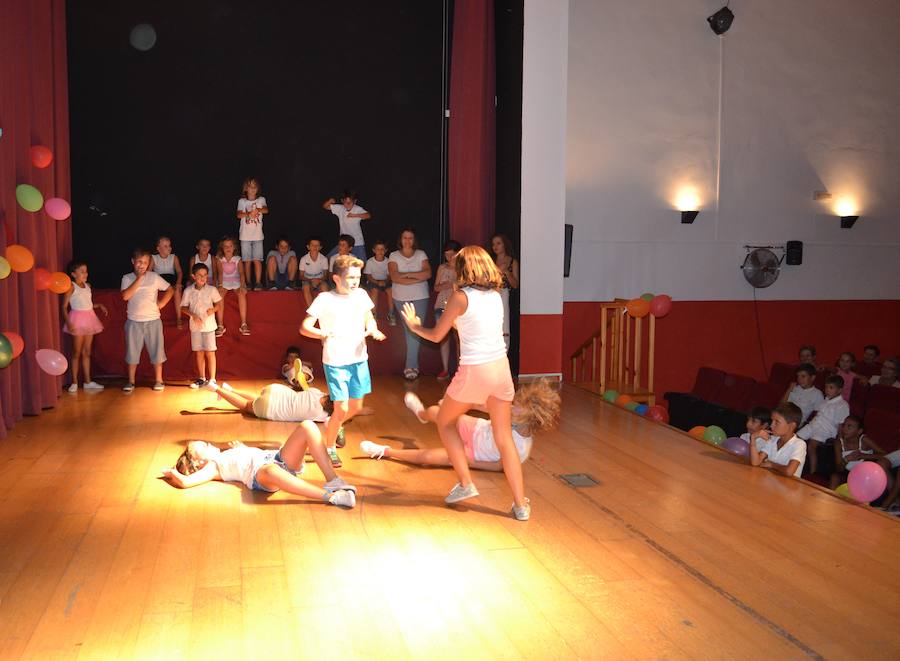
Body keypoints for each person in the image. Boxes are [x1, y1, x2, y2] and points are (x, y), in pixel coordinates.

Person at [400, 246, 529, 520]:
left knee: (445, 422)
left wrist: (414, 326)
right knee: (504, 437)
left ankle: (465, 483)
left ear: (463, 268)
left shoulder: (460, 297)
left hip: (475, 372)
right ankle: (520, 505)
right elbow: (473, 327)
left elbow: (436, 336)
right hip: (501, 371)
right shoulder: (495, 295)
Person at [360, 380, 560, 472]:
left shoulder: (521, 448)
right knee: (437, 412)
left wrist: (469, 461)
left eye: (517, 410)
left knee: (428, 457)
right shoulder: (510, 411)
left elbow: (499, 466)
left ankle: (385, 452)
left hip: (474, 453)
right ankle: (421, 414)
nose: (512, 409)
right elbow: (480, 405)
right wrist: (455, 405)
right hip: (475, 428)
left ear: (532, 420)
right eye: (515, 405)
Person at [301, 254, 385, 468]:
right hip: (336, 361)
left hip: (359, 359)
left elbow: (368, 317)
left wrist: (372, 328)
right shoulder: (324, 299)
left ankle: (332, 423)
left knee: (355, 407)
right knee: (342, 408)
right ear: (337, 278)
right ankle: (329, 448)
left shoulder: (361, 295)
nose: (355, 281)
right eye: (351, 277)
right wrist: (321, 332)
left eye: (358, 277)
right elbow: (305, 327)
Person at [161, 423, 357, 508]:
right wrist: (171, 473)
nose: (209, 444)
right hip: (261, 474)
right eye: (203, 446)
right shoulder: (213, 467)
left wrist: (243, 448)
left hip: (276, 459)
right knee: (271, 470)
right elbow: (186, 482)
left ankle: (333, 480)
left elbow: (251, 455)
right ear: (198, 462)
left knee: (307, 426)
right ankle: (332, 497)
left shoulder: (225, 453)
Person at [120, 248, 173, 392]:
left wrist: (161, 304)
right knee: (132, 352)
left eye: (145, 262)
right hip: (133, 322)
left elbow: (170, 289)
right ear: (133, 262)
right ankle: (131, 381)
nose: (142, 265)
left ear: (149, 263)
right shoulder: (127, 278)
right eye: (139, 262)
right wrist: (139, 279)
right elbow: (125, 296)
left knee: (157, 352)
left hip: (153, 321)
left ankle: (159, 380)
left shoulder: (154, 277)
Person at [389, 228, 431, 380]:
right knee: (409, 329)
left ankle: (411, 365)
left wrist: (406, 275)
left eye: (410, 238)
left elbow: (427, 273)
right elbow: (395, 277)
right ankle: (411, 365)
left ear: (414, 240)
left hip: (420, 296)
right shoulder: (394, 255)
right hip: (400, 297)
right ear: (400, 240)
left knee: (416, 329)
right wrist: (416, 277)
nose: (407, 241)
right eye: (405, 237)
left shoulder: (421, 254)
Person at [62, 259, 108, 393]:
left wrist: (98, 305)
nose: (85, 274)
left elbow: (87, 303)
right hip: (77, 319)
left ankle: (87, 381)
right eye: (82, 271)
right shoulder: (71, 287)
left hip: (90, 318)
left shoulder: (87, 286)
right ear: (73, 274)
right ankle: (74, 382)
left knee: (87, 352)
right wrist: (68, 322)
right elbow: (64, 306)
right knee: (76, 352)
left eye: (86, 271)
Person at [205, 379, 331, 423]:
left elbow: (307, 389)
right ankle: (216, 389)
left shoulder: (317, 392)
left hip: (276, 390)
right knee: (246, 405)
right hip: (270, 407)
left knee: (257, 398)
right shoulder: (322, 415)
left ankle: (230, 390)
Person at [797, 375, 850, 475]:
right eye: (826, 387)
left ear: (839, 390)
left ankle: (812, 473)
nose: (827, 390)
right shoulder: (826, 400)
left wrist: (840, 439)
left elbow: (841, 423)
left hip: (826, 430)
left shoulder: (842, 405)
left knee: (812, 446)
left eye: (831, 388)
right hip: (814, 425)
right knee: (796, 439)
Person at [181, 263, 223, 388]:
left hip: (209, 326)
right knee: (199, 352)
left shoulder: (212, 289)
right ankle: (201, 378)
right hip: (196, 327)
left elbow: (219, 304)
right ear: (193, 276)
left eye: (205, 275)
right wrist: (193, 315)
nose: (203, 278)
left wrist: (213, 310)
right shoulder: (188, 291)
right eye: (199, 275)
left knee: (210, 352)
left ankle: (213, 379)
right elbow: (183, 307)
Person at [748, 402, 806, 477]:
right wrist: (753, 438)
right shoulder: (772, 440)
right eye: (772, 421)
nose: (771, 425)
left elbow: (789, 471)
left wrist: (772, 465)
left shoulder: (799, 444)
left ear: (792, 426)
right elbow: (755, 462)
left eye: (777, 422)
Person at [433, 240, 461, 380]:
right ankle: (445, 369)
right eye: (447, 255)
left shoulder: (463, 268)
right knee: (442, 336)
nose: (449, 258)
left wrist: (454, 284)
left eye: (452, 255)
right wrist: (447, 285)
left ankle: (460, 369)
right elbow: (436, 287)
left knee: (459, 338)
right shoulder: (442, 268)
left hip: (458, 306)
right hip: (442, 305)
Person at [830, 415, 884, 489]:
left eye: (849, 426)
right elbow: (838, 469)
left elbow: (885, 454)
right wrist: (846, 459)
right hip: (847, 473)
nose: (844, 429)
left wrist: (863, 456)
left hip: (865, 474)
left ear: (859, 431)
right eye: (844, 425)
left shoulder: (864, 440)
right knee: (835, 477)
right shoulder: (838, 443)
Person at [236, 177, 268, 290]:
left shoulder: (261, 199)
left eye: (255, 186)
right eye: (250, 186)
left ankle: (258, 282)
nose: (253, 189)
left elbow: (266, 210)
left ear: (258, 188)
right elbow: (239, 215)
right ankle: (248, 282)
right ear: (246, 188)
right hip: (245, 236)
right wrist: (249, 213)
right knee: (247, 261)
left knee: (257, 260)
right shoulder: (242, 201)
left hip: (258, 236)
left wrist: (257, 210)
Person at [490, 234, 519, 352]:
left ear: (504, 245)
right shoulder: (490, 262)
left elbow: (515, 284)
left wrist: (506, 271)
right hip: (491, 295)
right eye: (493, 244)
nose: (495, 247)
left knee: (504, 324)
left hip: (505, 296)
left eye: (498, 243)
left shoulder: (512, 262)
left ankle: (504, 350)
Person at [215, 236, 249, 336]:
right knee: (219, 296)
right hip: (224, 282)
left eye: (230, 246)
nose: (228, 248)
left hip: (236, 282)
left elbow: (242, 273)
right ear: (222, 248)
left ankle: (244, 324)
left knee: (241, 294)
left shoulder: (237, 259)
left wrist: (242, 286)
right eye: (225, 246)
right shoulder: (219, 259)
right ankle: (220, 325)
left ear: (234, 247)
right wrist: (220, 285)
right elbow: (220, 273)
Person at [323, 189, 369, 260]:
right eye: (345, 202)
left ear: (355, 201)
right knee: (328, 259)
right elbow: (325, 206)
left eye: (349, 203)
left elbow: (368, 215)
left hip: (357, 242)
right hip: (343, 242)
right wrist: (329, 201)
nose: (347, 205)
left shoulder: (357, 209)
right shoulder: (340, 208)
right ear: (342, 201)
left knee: (362, 263)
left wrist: (355, 215)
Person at [150, 236, 184, 329]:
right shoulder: (153, 258)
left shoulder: (174, 257)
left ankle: (179, 317)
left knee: (177, 290)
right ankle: (153, 316)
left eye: (169, 245)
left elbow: (179, 272)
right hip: (159, 281)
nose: (169, 248)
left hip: (171, 280)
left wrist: (178, 282)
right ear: (158, 248)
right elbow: (149, 272)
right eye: (165, 246)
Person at [364, 239, 395, 325]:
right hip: (373, 281)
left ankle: (391, 314)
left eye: (382, 249)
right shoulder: (370, 261)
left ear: (386, 250)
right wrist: (377, 282)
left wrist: (385, 281)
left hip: (385, 281)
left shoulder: (388, 261)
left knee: (391, 291)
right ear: (374, 250)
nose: (380, 251)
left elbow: (389, 275)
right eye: (378, 249)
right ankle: (373, 314)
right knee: (375, 291)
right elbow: (368, 276)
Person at [299, 236, 330, 307]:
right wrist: (311, 280)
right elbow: (301, 276)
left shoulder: (324, 259)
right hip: (307, 281)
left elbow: (325, 276)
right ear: (308, 247)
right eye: (312, 245)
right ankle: (311, 310)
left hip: (320, 281)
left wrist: (319, 280)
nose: (315, 247)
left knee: (324, 286)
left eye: (317, 245)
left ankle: (326, 309)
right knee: (306, 287)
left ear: (320, 247)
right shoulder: (303, 259)